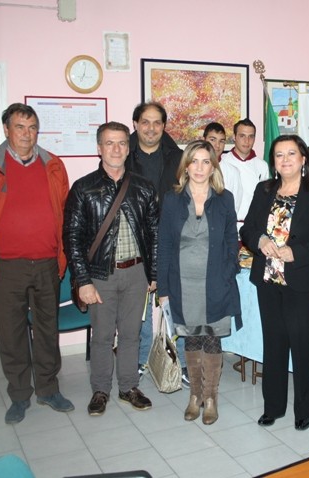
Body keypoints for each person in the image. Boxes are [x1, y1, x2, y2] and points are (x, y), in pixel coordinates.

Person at [0, 103, 74, 424]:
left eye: (32, 128)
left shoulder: (53, 165)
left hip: (47, 262)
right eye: (20, 127)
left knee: (47, 329)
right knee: (11, 332)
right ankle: (19, 394)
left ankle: (48, 389)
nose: (27, 134)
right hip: (6, 266)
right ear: (6, 129)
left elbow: (64, 210)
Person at [240, 135, 309, 431]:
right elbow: (248, 229)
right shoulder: (264, 189)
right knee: (273, 344)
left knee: (302, 344)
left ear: (303, 159)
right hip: (268, 279)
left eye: (291, 154)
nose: (285, 160)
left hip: (303, 281)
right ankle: (273, 406)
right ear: (273, 161)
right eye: (279, 155)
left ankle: (303, 410)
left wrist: (296, 252)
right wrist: (260, 240)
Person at [64, 121, 158, 416]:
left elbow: (154, 233)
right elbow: (72, 237)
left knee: (131, 334)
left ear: (128, 149)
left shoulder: (143, 187)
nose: (116, 149)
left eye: (121, 143)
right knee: (103, 336)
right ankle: (100, 390)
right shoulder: (83, 188)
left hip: (137, 274)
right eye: (109, 143)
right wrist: (83, 280)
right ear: (99, 148)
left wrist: (153, 273)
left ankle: (128, 386)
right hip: (100, 275)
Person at [157, 140, 241, 425]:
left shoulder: (224, 198)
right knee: (192, 338)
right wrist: (163, 288)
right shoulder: (172, 199)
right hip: (183, 284)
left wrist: (228, 271)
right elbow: (164, 244)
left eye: (206, 161)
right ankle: (195, 395)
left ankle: (211, 398)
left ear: (213, 167)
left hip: (215, 282)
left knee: (212, 338)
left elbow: (231, 239)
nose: (199, 167)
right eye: (194, 161)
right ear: (186, 166)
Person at [125, 101, 188, 383]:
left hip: (170, 240)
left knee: (174, 303)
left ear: (164, 126)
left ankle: (181, 362)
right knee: (138, 307)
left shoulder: (178, 157)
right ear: (136, 124)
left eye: (157, 123)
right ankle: (140, 359)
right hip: (134, 240)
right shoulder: (122, 154)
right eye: (145, 122)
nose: (151, 128)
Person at [220, 118, 270, 224]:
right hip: (226, 224)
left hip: (252, 226)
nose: (247, 141)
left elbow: (264, 200)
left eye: (251, 136)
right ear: (234, 137)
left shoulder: (262, 166)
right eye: (242, 136)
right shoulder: (222, 162)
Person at [203, 122, 243, 219]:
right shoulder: (194, 168)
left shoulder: (233, 172)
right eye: (212, 140)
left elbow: (235, 205)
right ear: (204, 140)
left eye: (221, 141)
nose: (217, 145)